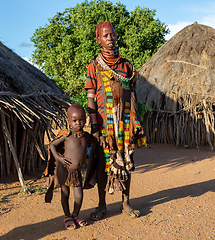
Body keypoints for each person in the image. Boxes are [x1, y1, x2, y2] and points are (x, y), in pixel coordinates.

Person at [84, 21, 146, 221]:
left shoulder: (127, 65)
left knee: (127, 163)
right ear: (98, 39)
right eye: (105, 36)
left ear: (116, 36)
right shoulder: (94, 66)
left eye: (112, 35)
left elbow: (134, 94)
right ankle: (102, 205)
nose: (109, 38)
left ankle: (125, 202)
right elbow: (91, 97)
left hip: (125, 123)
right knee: (104, 164)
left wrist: (135, 121)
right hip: (104, 125)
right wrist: (95, 127)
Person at [42, 103, 94, 229]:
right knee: (65, 193)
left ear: (85, 119)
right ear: (69, 121)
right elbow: (52, 145)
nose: (78, 123)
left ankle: (76, 215)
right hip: (63, 169)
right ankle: (67, 216)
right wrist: (59, 158)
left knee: (79, 196)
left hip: (76, 172)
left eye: (81, 120)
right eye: (74, 120)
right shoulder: (66, 135)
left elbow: (95, 142)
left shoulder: (86, 136)